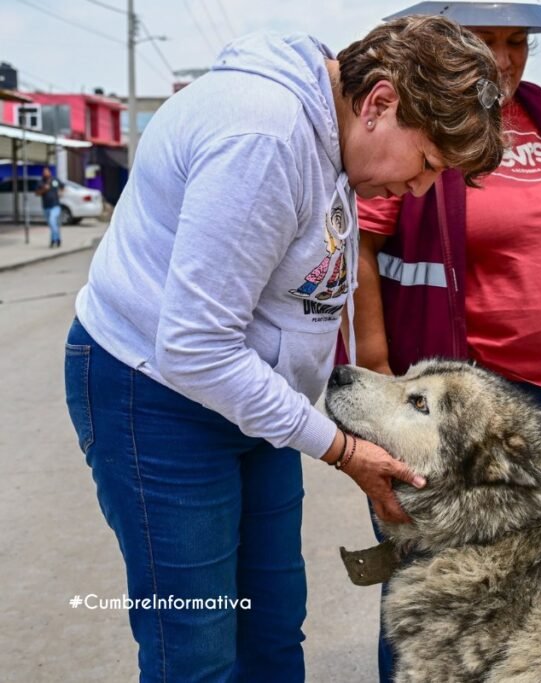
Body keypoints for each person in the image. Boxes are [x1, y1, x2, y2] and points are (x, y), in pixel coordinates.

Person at [63, 16, 503, 682]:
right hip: (154, 396)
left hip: (247, 399)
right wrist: (343, 448)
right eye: (428, 164)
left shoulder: (332, 137)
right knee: (198, 649)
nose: (418, 190)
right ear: (380, 103)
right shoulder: (263, 137)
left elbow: (314, 287)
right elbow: (195, 347)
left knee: (271, 630)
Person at [353, 3, 541, 680]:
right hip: (464, 402)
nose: (506, 58)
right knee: (429, 575)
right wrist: (377, 370)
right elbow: (360, 248)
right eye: (485, 41)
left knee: (521, 575)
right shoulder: (420, 118)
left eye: (516, 41)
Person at [35, 166, 63, 247]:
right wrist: (44, 189)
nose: (45, 173)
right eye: (44, 172)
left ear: (50, 172)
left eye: (47, 172)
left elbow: (62, 187)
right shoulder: (40, 182)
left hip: (56, 205)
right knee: (53, 225)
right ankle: (57, 239)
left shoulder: (55, 180)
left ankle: (53, 240)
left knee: (52, 221)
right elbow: (37, 193)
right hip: (46, 207)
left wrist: (61, 192)